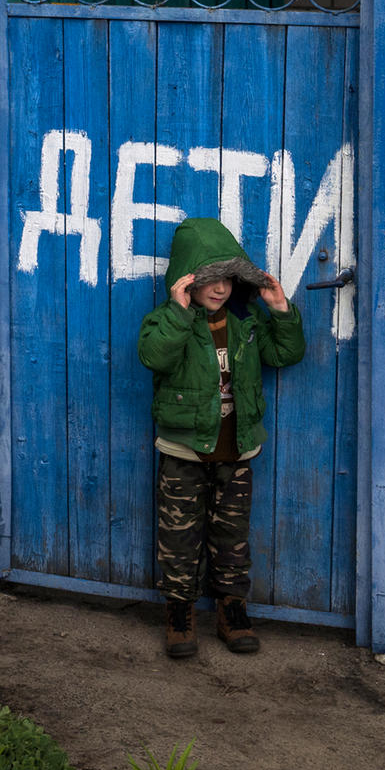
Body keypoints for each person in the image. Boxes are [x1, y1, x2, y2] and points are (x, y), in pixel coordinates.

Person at [136, 215, 305, 659]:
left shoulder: (245, 325)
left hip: (235, 449)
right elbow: (155, 356)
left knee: (231, 536)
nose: (219, 288)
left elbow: (285, 352)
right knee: (179, 537)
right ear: (185, 281)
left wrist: (280, 309)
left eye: (227, 279)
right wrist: (177, 312)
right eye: (208, 279)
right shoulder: (164, 322)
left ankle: (232, 611)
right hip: (183, 451)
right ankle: (179, 613)